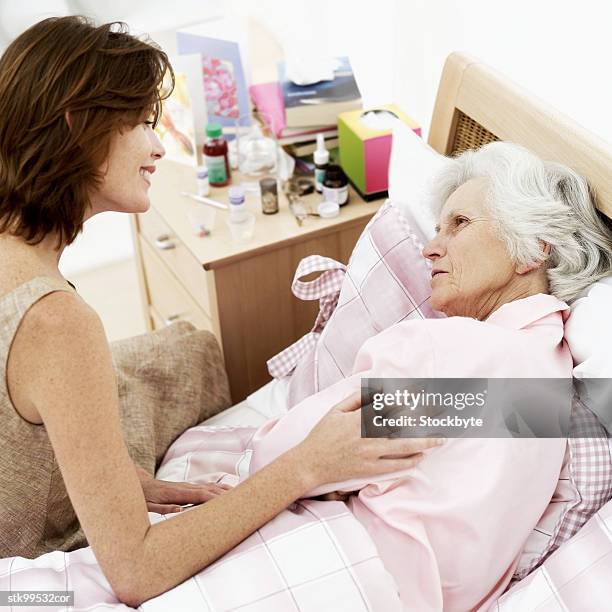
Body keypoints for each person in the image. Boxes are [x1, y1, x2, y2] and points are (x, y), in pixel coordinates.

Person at [0, 16, 439, 607]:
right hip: (23, 561)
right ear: (78, 125)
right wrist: (306, 467)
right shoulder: (54, 321)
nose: (157, 146)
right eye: (141, 124)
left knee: (189, 347)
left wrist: (118, 484)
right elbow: (135, 572)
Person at [249, 141, 612, 610]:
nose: (428, 247)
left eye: (459, 224)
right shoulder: (555, 387)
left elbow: (276, 454)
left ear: (534, 249)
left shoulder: (448, 349)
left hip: (335, 572)